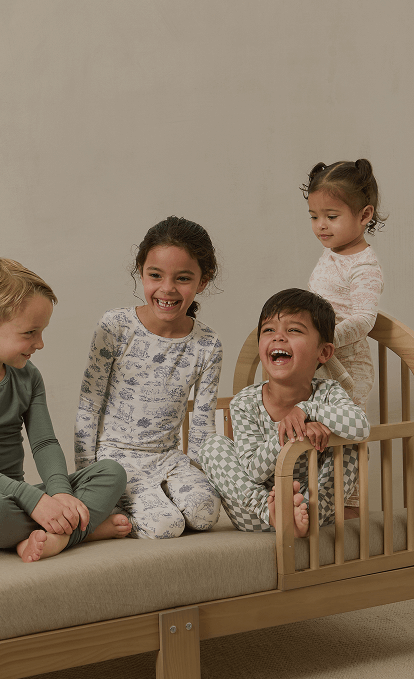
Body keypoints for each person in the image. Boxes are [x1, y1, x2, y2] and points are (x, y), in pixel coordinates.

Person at [0, 258, 129, 563]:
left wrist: (59, 493)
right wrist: (35, 501)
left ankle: (53, 536)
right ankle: (81, 531)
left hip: (18, 498)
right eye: (29, 333)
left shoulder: (27, 376)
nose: (40, 343)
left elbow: (44, 443)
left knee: (112, 473)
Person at [75, 216, 222, 538]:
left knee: (204, 513)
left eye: (183, 278)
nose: (167, 289)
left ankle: (165, 496)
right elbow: (89, 405)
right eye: (155, 275)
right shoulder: (115, 326)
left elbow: (202, 423)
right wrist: (88, 477)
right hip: (116, 460)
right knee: (167, 527)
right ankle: (120, 509)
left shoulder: (208, 344)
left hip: (168, 457)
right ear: (141, 272)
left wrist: (197, 476)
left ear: (203, 281)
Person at [198, 289, 370, 537]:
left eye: (294, 330)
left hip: (312, 508)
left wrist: (308, 410)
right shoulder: (245, 402)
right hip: (255, 513)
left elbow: (362, 427)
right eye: (269, 330)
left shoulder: (328, 393)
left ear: (323, 352)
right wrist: (294, 434)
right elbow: (253, 471)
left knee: (352, 444)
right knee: (212, 446)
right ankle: (277, 515)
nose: (278, 337)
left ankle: (302, 517)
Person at [303, 159, 385, 514]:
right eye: (313, 216)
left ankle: (349, 514)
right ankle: (314, 506)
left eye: (331, 216)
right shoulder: (330, 253)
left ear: (364, 214)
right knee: (314, 433)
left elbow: (364, 318)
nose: (321, 226)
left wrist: (323, 335)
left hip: (347, 365)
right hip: (319, 359)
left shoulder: (364, 265)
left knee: (344, 438)